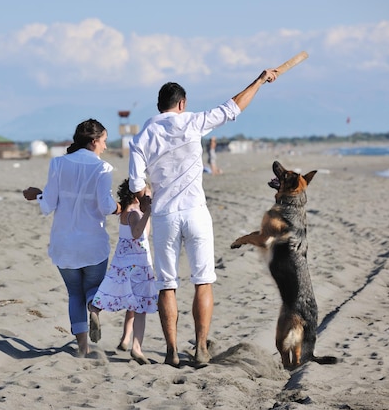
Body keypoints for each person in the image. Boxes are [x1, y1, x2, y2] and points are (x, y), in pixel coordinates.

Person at [128, 68, 279, 367]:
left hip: (164, 215)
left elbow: (135, 184)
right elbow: (233, 107)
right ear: (182, 104)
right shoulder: (193, 121)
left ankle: (171, 351)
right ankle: (200, 348)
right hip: (195, 212)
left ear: (160, 106)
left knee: (167, 284)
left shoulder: (143, 134)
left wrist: (148, 195)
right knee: (203, 281)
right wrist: (260, 81)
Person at [23, 118, 120, 357]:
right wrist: (121, 207)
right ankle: (94, 308)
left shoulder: (58, 163)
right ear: (95, 141)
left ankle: (83, 348)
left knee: (74, 293)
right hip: (92, 243)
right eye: (104, 141)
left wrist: (37, 195)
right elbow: (106, 206)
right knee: (93, 288)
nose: (106, 147)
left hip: (64, 243)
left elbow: (48, 205)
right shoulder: (102, 168)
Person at [91, 179, 158, 365]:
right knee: (141, 307)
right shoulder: (135, 214)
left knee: (119, 293)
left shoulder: (125, 212)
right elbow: (137, 234)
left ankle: (97, 309)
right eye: (148, 195)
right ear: (139, 196)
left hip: (122, 260)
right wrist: (149, 213)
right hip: (138, 262)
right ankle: (136, 348)